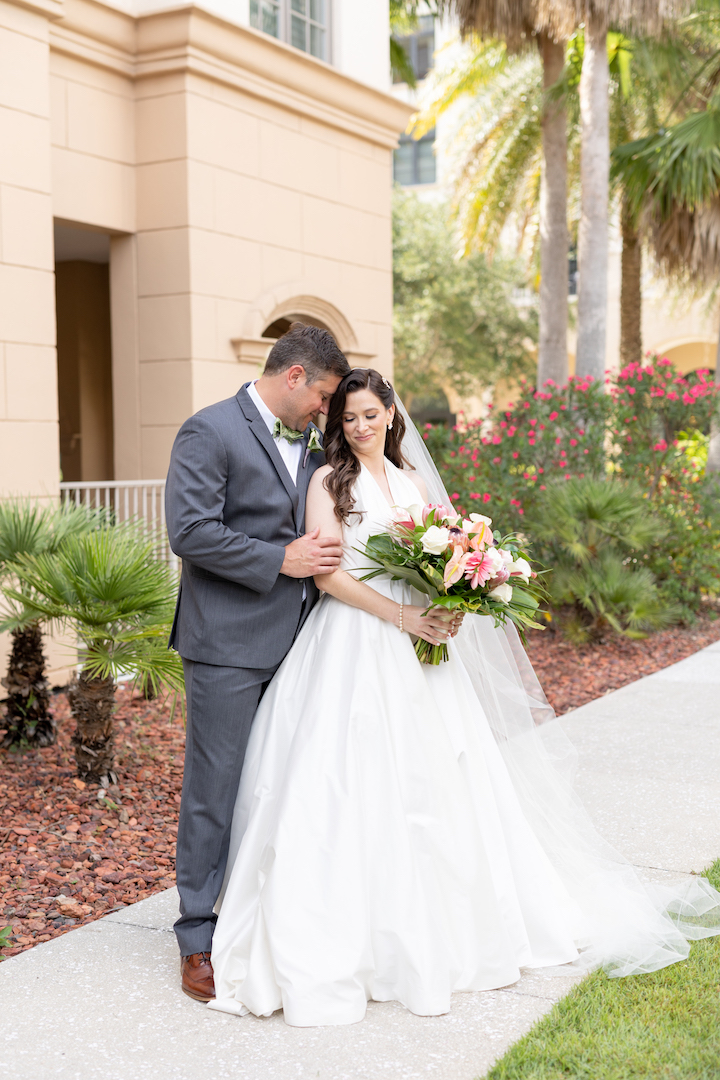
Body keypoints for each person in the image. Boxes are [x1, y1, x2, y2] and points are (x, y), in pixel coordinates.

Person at [207, 367, 720, 1027]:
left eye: (371, 414)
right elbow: (330, 578)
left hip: (423, 649)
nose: (361, 426)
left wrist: (455, 597)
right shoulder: (327, 483)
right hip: (352, 644)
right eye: (350, 417)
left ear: (392, 416)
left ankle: (451, 926)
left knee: (440, 781)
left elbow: (448, 553)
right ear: (338, 425)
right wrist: (404, 619)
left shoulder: (415, 483)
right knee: (345, 780)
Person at [165, 322, 351, 1002]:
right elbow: (190, 531)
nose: (325, 412)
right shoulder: (208, 430)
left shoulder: (311, 445)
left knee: (276, 787)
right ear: (295, 375)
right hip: (226, 648)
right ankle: (195, 935)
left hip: (301, 643)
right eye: (323, 396)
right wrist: (281, 559)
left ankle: (258, 917)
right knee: (214, 792)